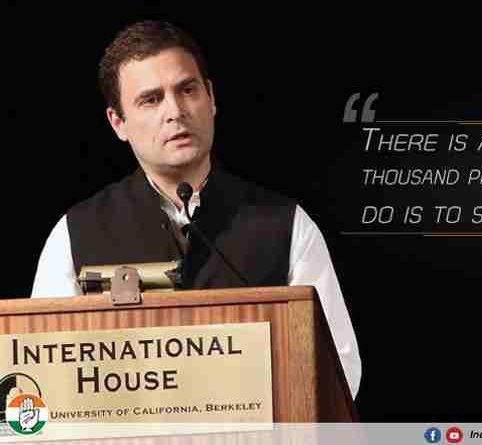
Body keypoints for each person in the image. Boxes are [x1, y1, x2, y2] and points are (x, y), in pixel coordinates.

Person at [29, 20, 361, 399]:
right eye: (151, 99)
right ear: (118, 122)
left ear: (212, 97)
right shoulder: (74, 234)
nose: (175, 111)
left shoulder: (286, 226)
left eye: (187, 90)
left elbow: (340, 368)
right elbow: (44, 378)